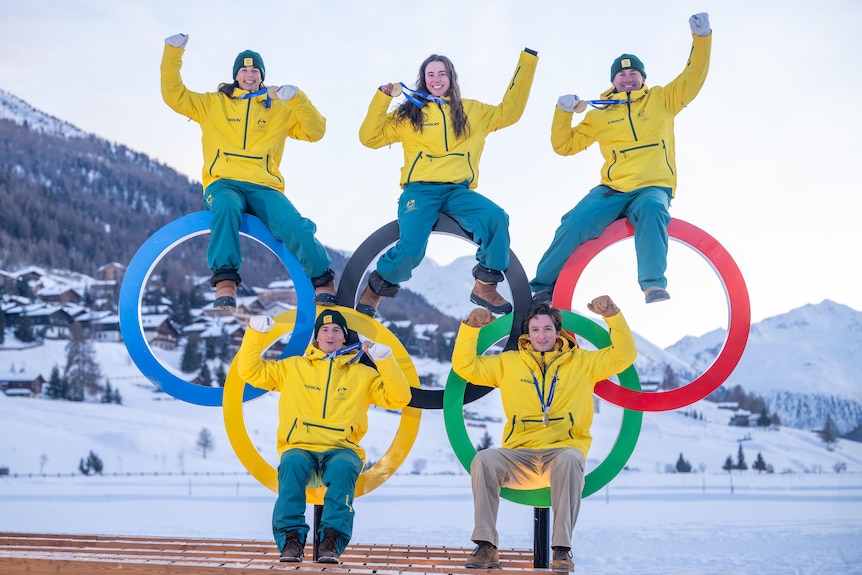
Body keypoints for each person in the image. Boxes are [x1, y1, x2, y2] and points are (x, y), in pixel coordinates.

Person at [530, 13, 712, 305]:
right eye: (622, 75)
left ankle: (652, 284)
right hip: (612, 189)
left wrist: (701, 39)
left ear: (643, 78)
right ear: (613, 80)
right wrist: (563, 113)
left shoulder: (663, 100)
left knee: (653, 210)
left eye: (633, 74)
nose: (628, 79)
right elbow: (564, 146)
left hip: (652, 186)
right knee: (574, 222)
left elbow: (694, 75)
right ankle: (542, 287)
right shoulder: (600, 114)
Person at [451, 297, 637, 571]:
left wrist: (612, 315)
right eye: (536, 329)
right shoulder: (508, 363)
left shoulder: (584, 362)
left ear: (558, 332)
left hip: (562, 453)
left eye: (548, 328)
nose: (542, 335)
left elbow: (624, 355)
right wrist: (470, 328)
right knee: (484, 460)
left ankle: (562, 550)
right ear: (527, 334)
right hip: (519, 454)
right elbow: (465, 366)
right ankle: (486, 546)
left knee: (571, 459)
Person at [356, 48, 539, 318]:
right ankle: (375, 290)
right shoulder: (410, 114)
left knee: (495, 218)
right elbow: (369, 138)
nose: (436, 78)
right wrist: (383, 97)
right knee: (411, 248)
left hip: (457, 191)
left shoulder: (472, 111)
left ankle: (485, 285)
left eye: (442, 73)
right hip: (420, 190)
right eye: (430, 74)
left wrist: (527, 62)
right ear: (423, 79)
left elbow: (510, 111)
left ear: (452, 78)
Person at [161, 33, 338, 310]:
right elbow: (174, 95)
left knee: (295, 225)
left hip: (264, 186)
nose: (249, 74)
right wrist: (173, 53)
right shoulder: (212, 103)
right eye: (244, 70)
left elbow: (316, 131)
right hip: (223, 183)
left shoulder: (279, 108)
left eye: (255, 70)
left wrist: (296, 99)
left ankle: (323, 280)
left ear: (262, 75)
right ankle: (225, 281)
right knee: (226, 209)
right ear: (235, 75)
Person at [237, 309, 412, 563]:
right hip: (300, 448)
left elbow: (399, 397)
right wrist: (255, 334)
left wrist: (384, 359)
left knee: (343, 467)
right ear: (316, 338)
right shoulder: (292, 368)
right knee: (292, 463)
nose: (330, 335)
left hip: (341, 450)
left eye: (336, 330)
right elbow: (250, 372)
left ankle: (330, 540)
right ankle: (291, 541)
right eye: (325, 330)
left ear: (344, 338)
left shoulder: (362, 374)